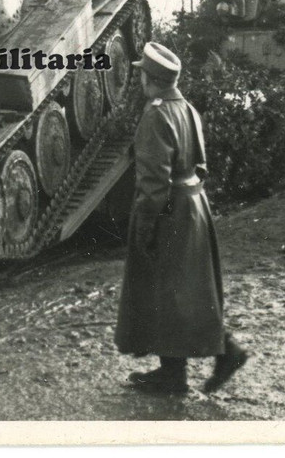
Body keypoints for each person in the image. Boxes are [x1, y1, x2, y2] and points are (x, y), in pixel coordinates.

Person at [114, 41, 248, 395]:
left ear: (150, 78)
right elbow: (201, 164)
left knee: (166, 286)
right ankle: (179, 369)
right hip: (193, 203)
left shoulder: (155, 114)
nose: (140, 78)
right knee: (186, 288)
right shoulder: (186, 108)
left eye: (142, 72)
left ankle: (191, 367)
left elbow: (153, 181)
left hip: (169, 206)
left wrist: (145, 225)